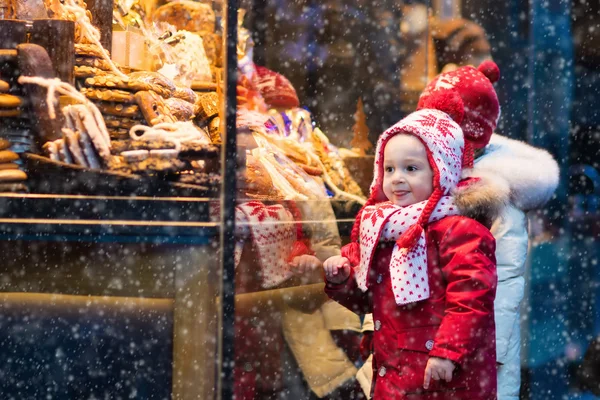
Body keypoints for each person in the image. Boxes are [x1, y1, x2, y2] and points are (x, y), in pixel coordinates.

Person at [323, 106, 504, 399]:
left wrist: (447, 351)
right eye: (389, 169)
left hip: (439, 377)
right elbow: (369, 300)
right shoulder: (383, 230)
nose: (396, 178)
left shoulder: (459, 230)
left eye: (411, 168)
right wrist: (342, 280)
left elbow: (472, 298)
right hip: (396, 373)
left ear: (440, 172)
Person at [417, 61, 560, 400]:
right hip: (419, 342)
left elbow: (506, 282)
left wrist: (482, 352)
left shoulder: (494, 199)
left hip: (474, 351)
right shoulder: (421, 181)